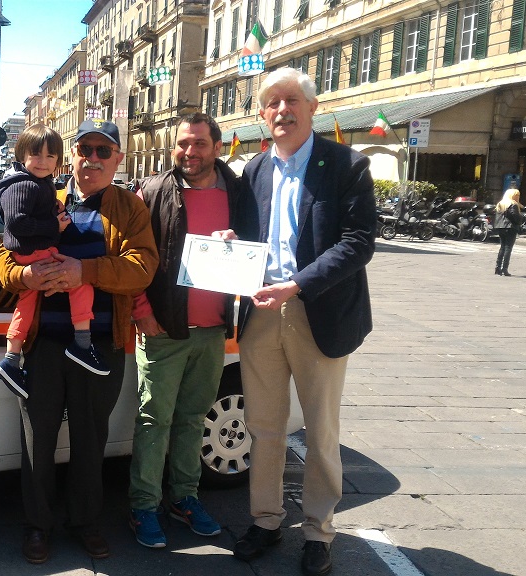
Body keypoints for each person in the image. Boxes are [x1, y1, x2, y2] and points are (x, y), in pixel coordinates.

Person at [229, 67, 376, 576]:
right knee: (264, 427)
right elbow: (251, 235)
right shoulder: (255, 170)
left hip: (320, 309)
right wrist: (231, 245)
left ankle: (318, 531)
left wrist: (298, 284)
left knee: (320, 430)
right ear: (262, 115)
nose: (282, 110)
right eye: (271, 102)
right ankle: (266, 521)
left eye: (293, 100)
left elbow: (358, 243)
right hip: (261, 314)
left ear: (313, 108)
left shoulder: (346, 164)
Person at [0, 118, 157, 564]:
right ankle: (37, 527)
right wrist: (23, 274)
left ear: (118, 159)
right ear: (73, 156)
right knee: (37, 437)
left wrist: (85, 272)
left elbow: (143, 266)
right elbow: (3, 254)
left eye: (104, 152)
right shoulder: (43, 191)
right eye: (86, 149)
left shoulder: (129, 208)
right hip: (44, 342)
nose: (93, 159)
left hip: (99, 345)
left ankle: (85, 522)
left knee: (90, 438)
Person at [126, 112, 239, 548]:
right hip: (163, 328)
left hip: (212, 330)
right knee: (154, 420)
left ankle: (185, 498)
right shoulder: (153, 191)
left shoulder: (238, 192)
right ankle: (142, 506)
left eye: (199, 144)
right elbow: (132, 255)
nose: (190, 152)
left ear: (216, 145)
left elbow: (257, 246)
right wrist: (141, 312)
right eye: (183, 144)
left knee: (194, 419)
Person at [0, 125, 107, 399]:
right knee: (79, 282)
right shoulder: (25, 184)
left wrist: (52, 211)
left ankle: (10, 358)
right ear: (22, 155)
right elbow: (17, 222)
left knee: (28, 301)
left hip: (31, 254)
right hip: (34, 252)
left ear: (58, 160)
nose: (43, 162)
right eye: (36, 154)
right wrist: (53, 226)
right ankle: (82, 344)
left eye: (50, 156)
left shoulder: (38, 185)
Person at [493, 188, 523, 276]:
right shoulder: (513, 204)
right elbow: (515, 216)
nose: (517, 197)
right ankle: (505, 268)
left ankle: (498, 267)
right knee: (508, 248)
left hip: (501, 227)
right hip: (510, 228)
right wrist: (520, 219)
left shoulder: (501, 203)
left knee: (502, 247)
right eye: (516, 195)